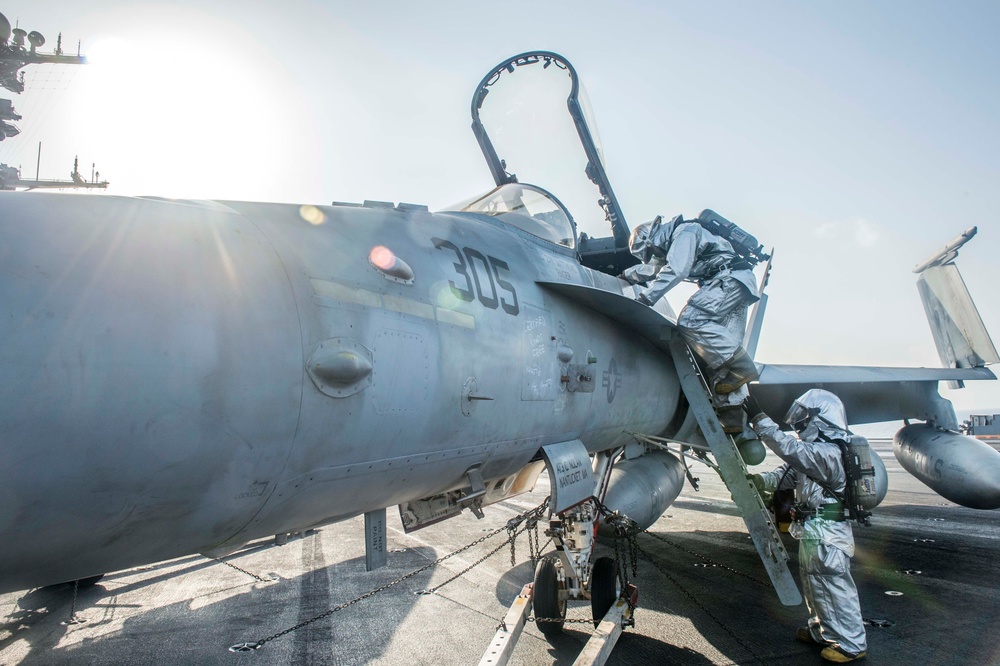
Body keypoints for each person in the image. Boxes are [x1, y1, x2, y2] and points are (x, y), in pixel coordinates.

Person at [744, 388, 868, 663]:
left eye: (803, 417)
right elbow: (788, 475)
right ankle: (822, 630)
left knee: (834, 586)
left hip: (829, 532)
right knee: (816, 585)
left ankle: (851, 643)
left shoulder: (829, 453)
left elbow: (791, 451)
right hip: (815, 530)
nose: (798, 423)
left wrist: (760, 419)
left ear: (821, 418)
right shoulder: (815, 454)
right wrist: (760, 481)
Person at [622, 214, 760, 431]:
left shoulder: (685, 232)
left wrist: (645, 298)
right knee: (713, 354)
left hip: (727, 280)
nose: (653, 256)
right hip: (735, 282)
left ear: (653, 240)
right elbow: (653, 269)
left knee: (690, 320)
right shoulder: (672, 241)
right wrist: (625, 275)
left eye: (650, 252)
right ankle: (732, 419)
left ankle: (742, 367)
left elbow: (677, 269)